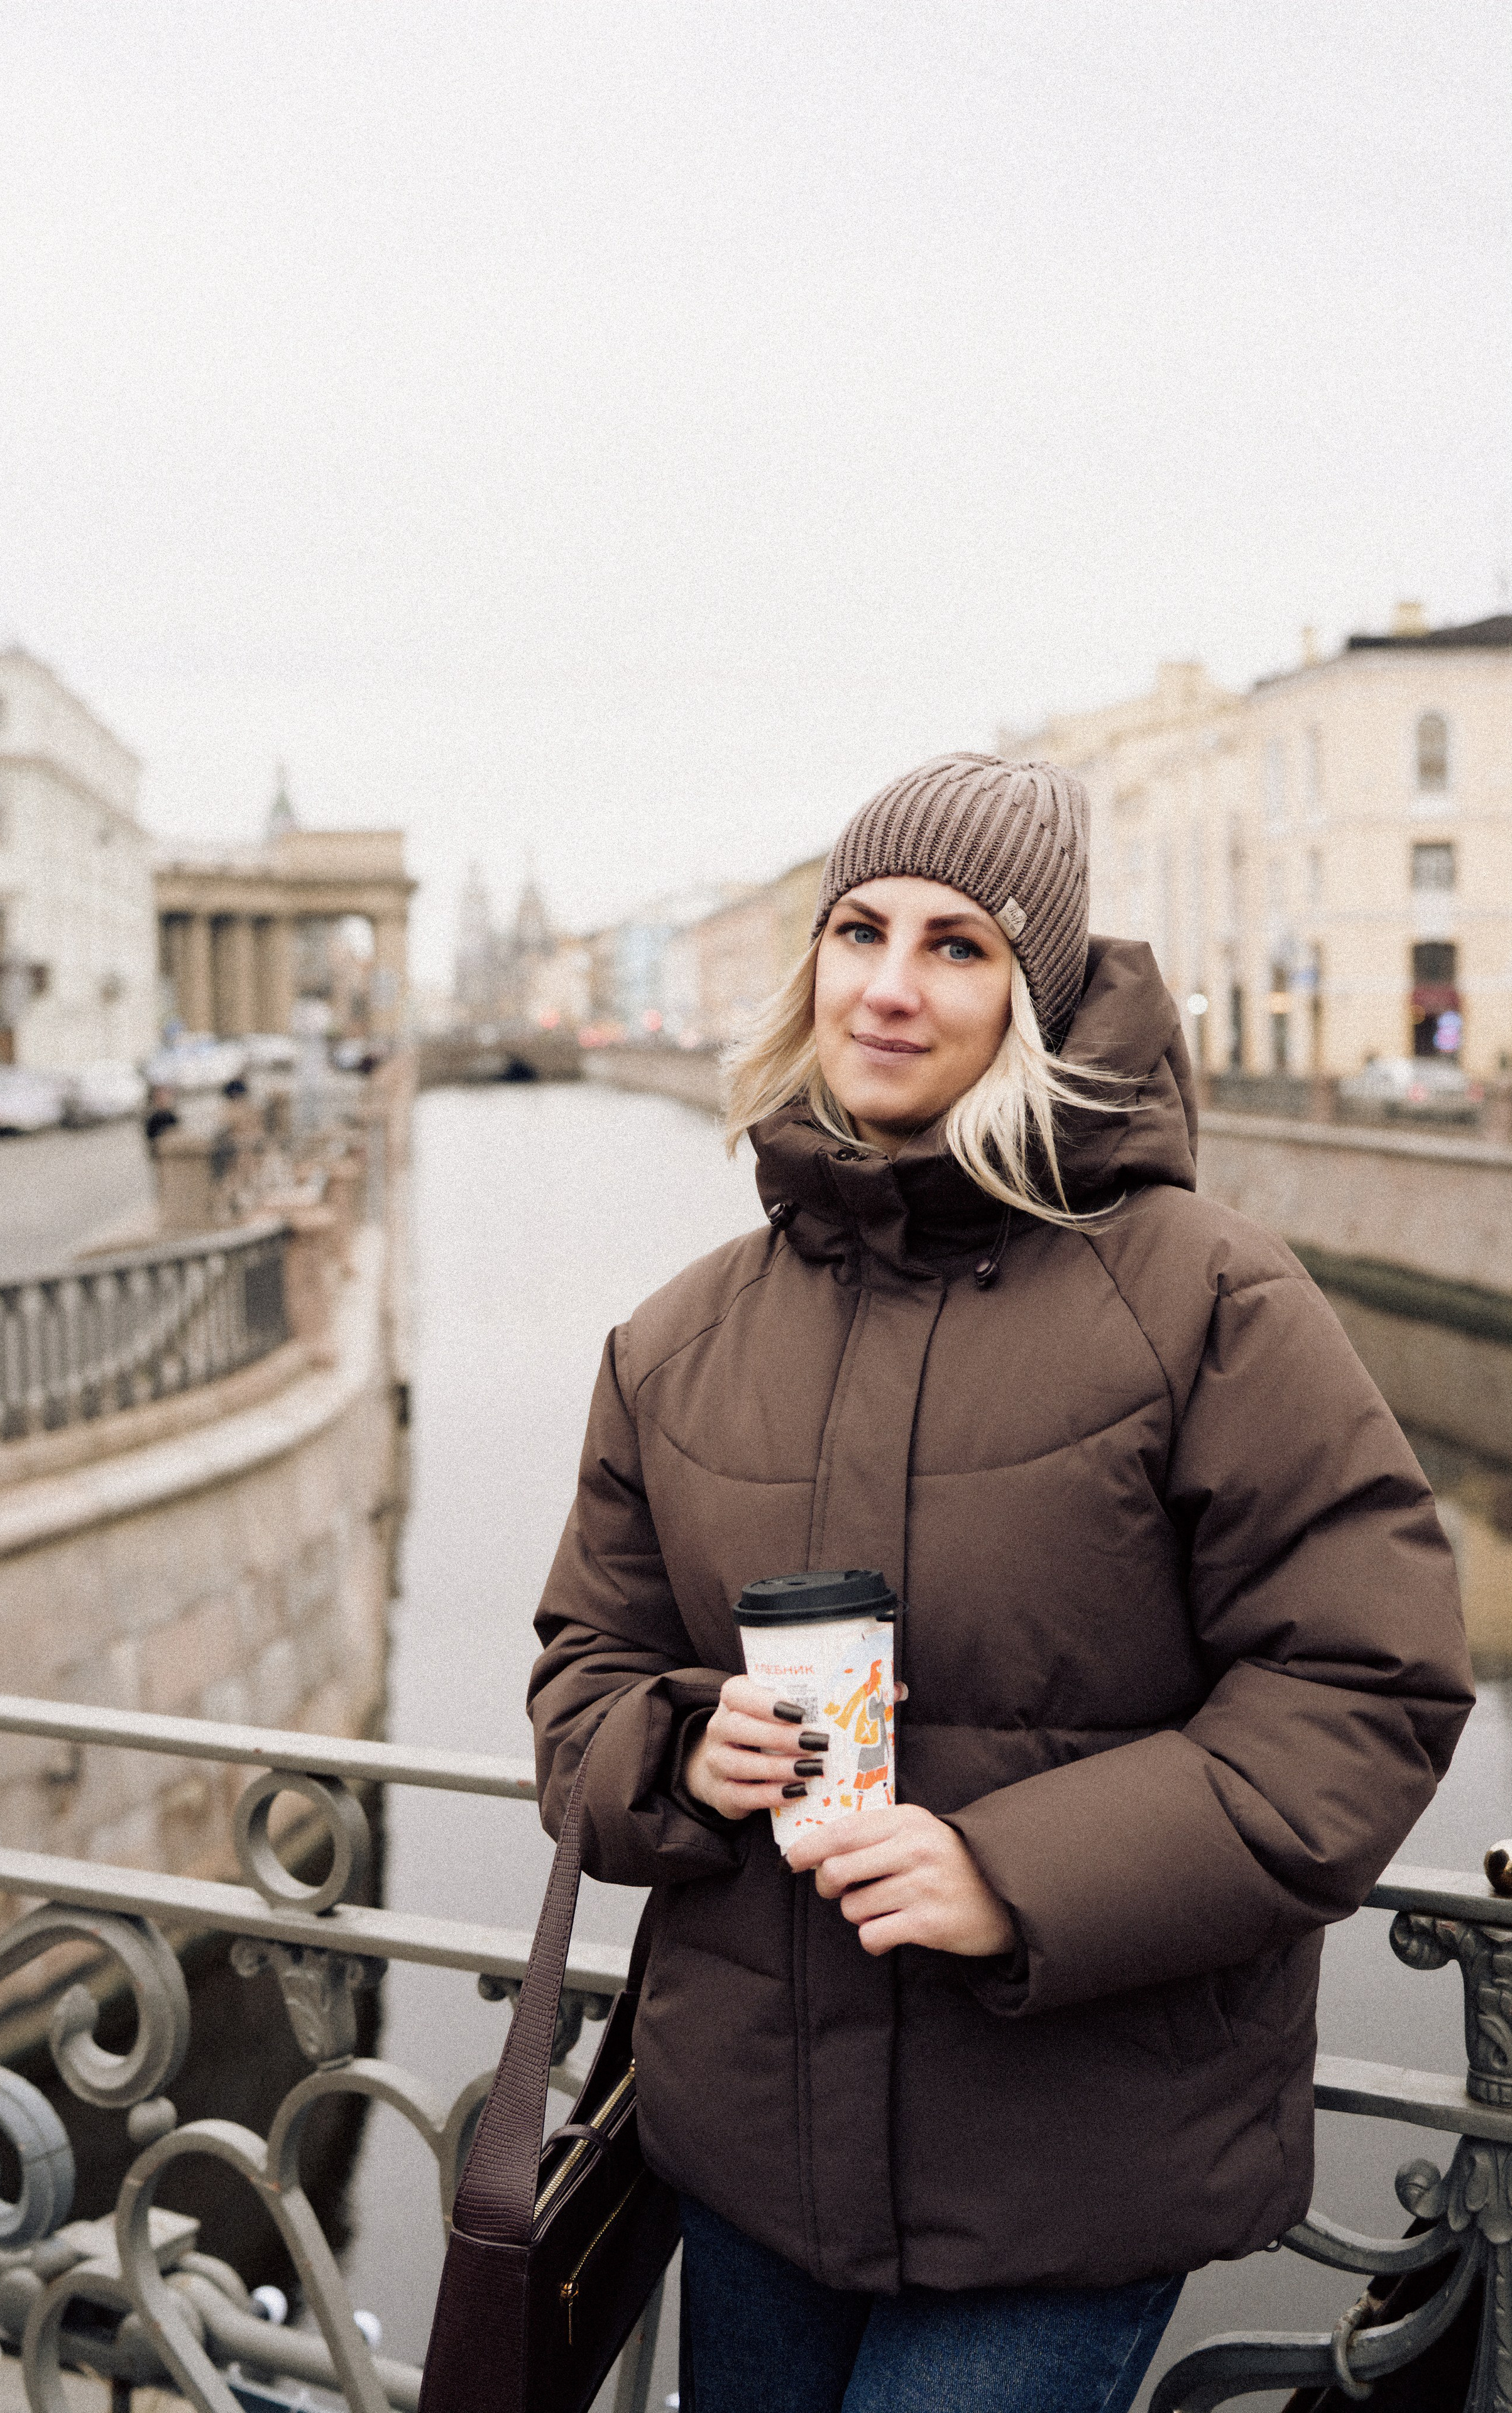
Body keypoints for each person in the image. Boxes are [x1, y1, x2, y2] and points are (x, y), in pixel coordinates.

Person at [527, 753, 1473, 2413]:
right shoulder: (677, 1339)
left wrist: (1011, 1876)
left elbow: (1365, 1688)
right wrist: (674, 1751)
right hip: (749, 2156)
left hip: (1073, 2160)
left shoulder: (1206, 1297)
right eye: (859, 930)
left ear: (1035, 995)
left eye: (958, 947)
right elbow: (582, 1671)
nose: (891, 989)